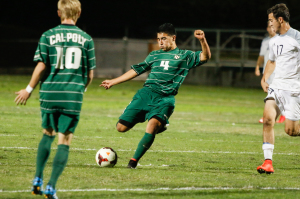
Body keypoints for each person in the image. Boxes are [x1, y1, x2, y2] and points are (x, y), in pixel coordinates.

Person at [100, 23, 211, 169]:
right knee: (121, 128)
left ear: (173, 38)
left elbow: (205, 56)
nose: (160, 42)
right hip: (145, 94)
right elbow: (136, 71)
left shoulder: (185, 56)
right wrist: (113, 82)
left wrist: (202, 40)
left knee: (152, 126)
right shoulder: (154, 55)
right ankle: (160, 124)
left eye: (164, 38)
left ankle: (133, 162)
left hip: (165, 99)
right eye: (158, 39)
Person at [14, 0, 96, 198]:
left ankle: (37, 179)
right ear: (79, 12)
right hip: (72, 95)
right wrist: (80, 90)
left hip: (49, 92)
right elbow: (90, 75)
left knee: (47, 133)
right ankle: (51, 186)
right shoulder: (86, 39)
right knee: (64, 140)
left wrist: (28, 89)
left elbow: (41, 66)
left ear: (59, 13)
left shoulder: (47, 35)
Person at [257, 3, 300, 174]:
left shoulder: (297, 37)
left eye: (271, 21)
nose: (270, 25)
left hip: (294, 90)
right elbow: (272, 61)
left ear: (280, 20)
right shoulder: (273, 41)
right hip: (277, 87)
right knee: (268, 119)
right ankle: (268, 162)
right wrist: (265, 77)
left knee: (291, 131)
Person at [255, 22, 285, 124]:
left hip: (278, 71)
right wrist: (257, 67)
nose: (271, 29)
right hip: (267, 71)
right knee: (271, 93)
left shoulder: (282, 40)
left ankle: (272, 116)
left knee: (276, 93)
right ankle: (272, 116)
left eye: (272, 27)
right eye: (269, 27)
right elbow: (262, 56)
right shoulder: (266, 41)